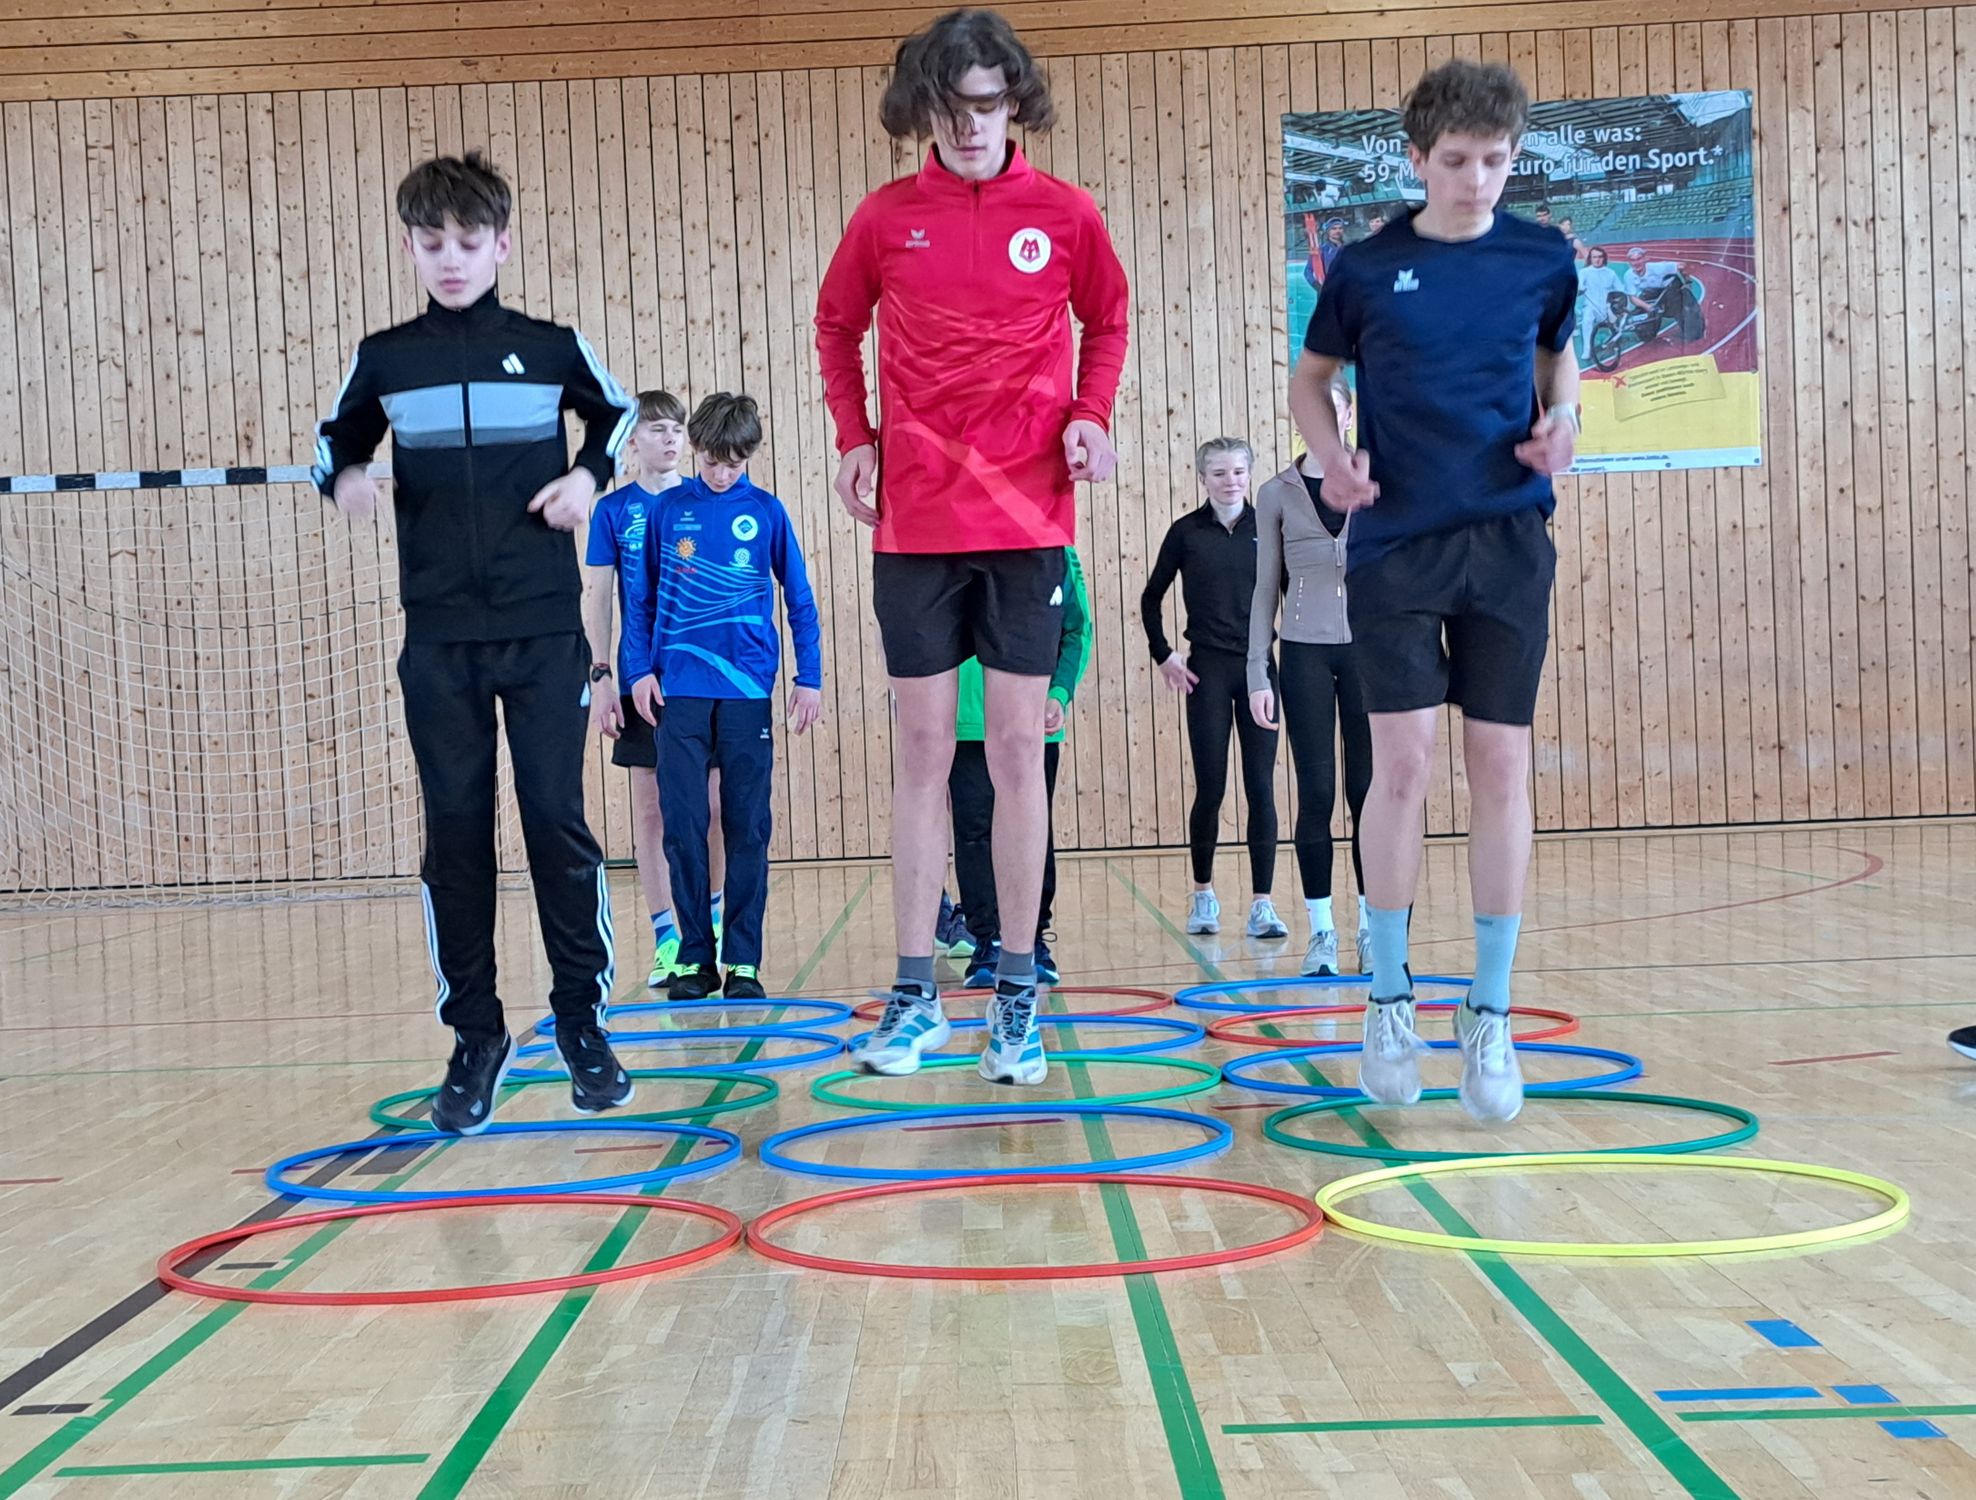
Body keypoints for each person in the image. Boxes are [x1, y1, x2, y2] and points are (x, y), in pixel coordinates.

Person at [816, 7, 1129, 1086]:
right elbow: (835, 326)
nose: (968, 126)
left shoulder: (1066, 214)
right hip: (913, 525)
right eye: (948, 109)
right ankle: (914, 997)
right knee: (918, 753)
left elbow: (1108, 320)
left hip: (1027, 524)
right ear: (923, 114)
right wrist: (853, 437)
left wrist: (1090, 415)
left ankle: (1015, 996)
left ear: (1014, 105)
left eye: (986, 105)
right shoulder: (883, 219)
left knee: (1013, 756)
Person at [315, 152, 636, 1133]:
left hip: (543, 633)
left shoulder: (547, 347)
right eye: (431, 243)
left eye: (466, 241)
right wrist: (346, 479)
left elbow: (616, 415)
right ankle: (476, 1035)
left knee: (554, 823)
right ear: (411, 249)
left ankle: (581, 1023)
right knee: (454, 835)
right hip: (440, 639)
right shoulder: (387, 358)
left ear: (501, 245)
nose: (450, 259)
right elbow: (336, 440)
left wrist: (588, 478)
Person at [1288, 59, 1581, 1124]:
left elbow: (1556, 362)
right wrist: (1331, 461)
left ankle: (1489, 1011)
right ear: (1416, 160)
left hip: (1507, 539)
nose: (1475, 180)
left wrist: (1564, 422)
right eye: (1455, 161)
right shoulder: (1368, 269)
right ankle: (1388, 996)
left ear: (1513, 157)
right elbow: (1311, 380)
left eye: (1494, 161)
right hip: (1396, 547)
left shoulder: (1542, 256)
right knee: (1402, 762)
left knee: (1498, 762)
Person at [626, 394, 823, 1003]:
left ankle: (742, 961)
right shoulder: (668, 511)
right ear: (697, 451)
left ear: (749, 457)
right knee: (683, 826)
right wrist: (637, 670)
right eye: (711, 461)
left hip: (746, 693)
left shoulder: (766, 512)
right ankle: (693, 958)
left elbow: (799, 599)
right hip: (679, 693)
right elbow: (640, 600)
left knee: (746, 827)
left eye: (733, 464)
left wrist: (809, 677)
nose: (720, 474)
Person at [582, 390, 727, 988]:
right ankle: (668, 935)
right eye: (656, 429)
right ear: (632, 442)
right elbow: (598, 597)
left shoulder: (707, 500)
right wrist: (601, 676)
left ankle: (709, 926)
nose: (669, 439)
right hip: (641, 678)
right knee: (653, 809)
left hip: (706, 676)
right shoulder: (613, 512)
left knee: (714, 807)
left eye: (676, 429)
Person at [1249, 385, 1374, 979]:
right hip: (1304, 656)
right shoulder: (1277, 492)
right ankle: (1322, 932)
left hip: (1370, 655)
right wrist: (1257, 670)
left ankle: (1375, 929)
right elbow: (1263, 588)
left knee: (1369, 795)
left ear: (1349, 413)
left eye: (1336, 406)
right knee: (1318, 793)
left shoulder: (1377, 479)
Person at [1143, 439, 1289, 944]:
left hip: (1259, 672)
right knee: (1211, 786)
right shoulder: (1186, 532)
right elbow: (1151, 598)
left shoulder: (1269, 530)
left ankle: (1262, 904)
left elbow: (1293, 594)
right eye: (1220, 473)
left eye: (1239, 472)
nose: (1231, 481)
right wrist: (1164, 655)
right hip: (1206, 671)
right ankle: (1203, 893)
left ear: (1250, 475)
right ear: (1203, 478)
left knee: (1260, 786)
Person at [951, 546, 1093, 989]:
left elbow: (1077, 630)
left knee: (1032, 830)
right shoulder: (949, 546)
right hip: (966, 723)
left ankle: (1031, 939)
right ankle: (987, 940)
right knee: (973, 834)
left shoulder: (1057, 552)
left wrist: (1060, 693)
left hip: (1031, 724)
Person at [1575, 246, 1625, 362]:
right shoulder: (1584, 272)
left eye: (1600, 257)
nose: (1597, 260)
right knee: (1587, 320)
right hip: (1591, 306)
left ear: (1604, 258)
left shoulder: (1611, 273)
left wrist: (1617, 305)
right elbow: (1579, 287)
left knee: (1615, 324)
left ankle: (1614, 338)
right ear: (1590, 258)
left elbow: (1620, 290)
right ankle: (1587, 349)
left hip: (1607, 307)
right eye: (1594, 257)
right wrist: (1580, 289)